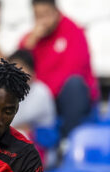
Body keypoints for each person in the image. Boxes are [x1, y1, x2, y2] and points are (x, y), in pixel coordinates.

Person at [19, 0, 99, 137]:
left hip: (66, 96)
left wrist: (43, 89)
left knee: (74, 85)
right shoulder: (32, 38)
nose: (43, 21)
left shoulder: (74, 31)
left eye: (46, 14)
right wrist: (30, 44)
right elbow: (18, 67)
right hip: (43, 95)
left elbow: (73, 71)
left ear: (56, 12)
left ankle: (68, 140)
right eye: (38, 16)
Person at [7, 49, 56, 135]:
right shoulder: (0, 90)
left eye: (21, 68)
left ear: (33, 73)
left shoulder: (41, 92)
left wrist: (28, 129)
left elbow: (48, 131)